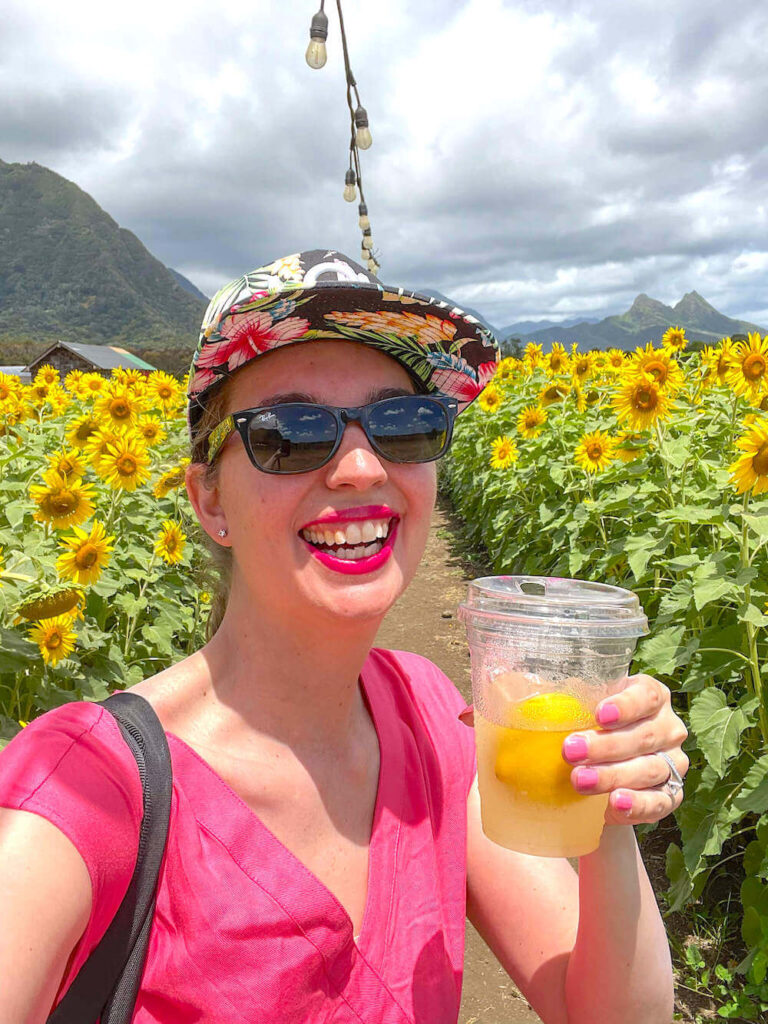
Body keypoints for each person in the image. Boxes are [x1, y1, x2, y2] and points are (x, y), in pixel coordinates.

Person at [0, 250, 687, 1024]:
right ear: (210, 501)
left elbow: (601, 1012)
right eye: (291, 433)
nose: (361, 467)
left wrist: (607, 809)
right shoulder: (86, 790)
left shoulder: (430, 719)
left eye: (405, 424)